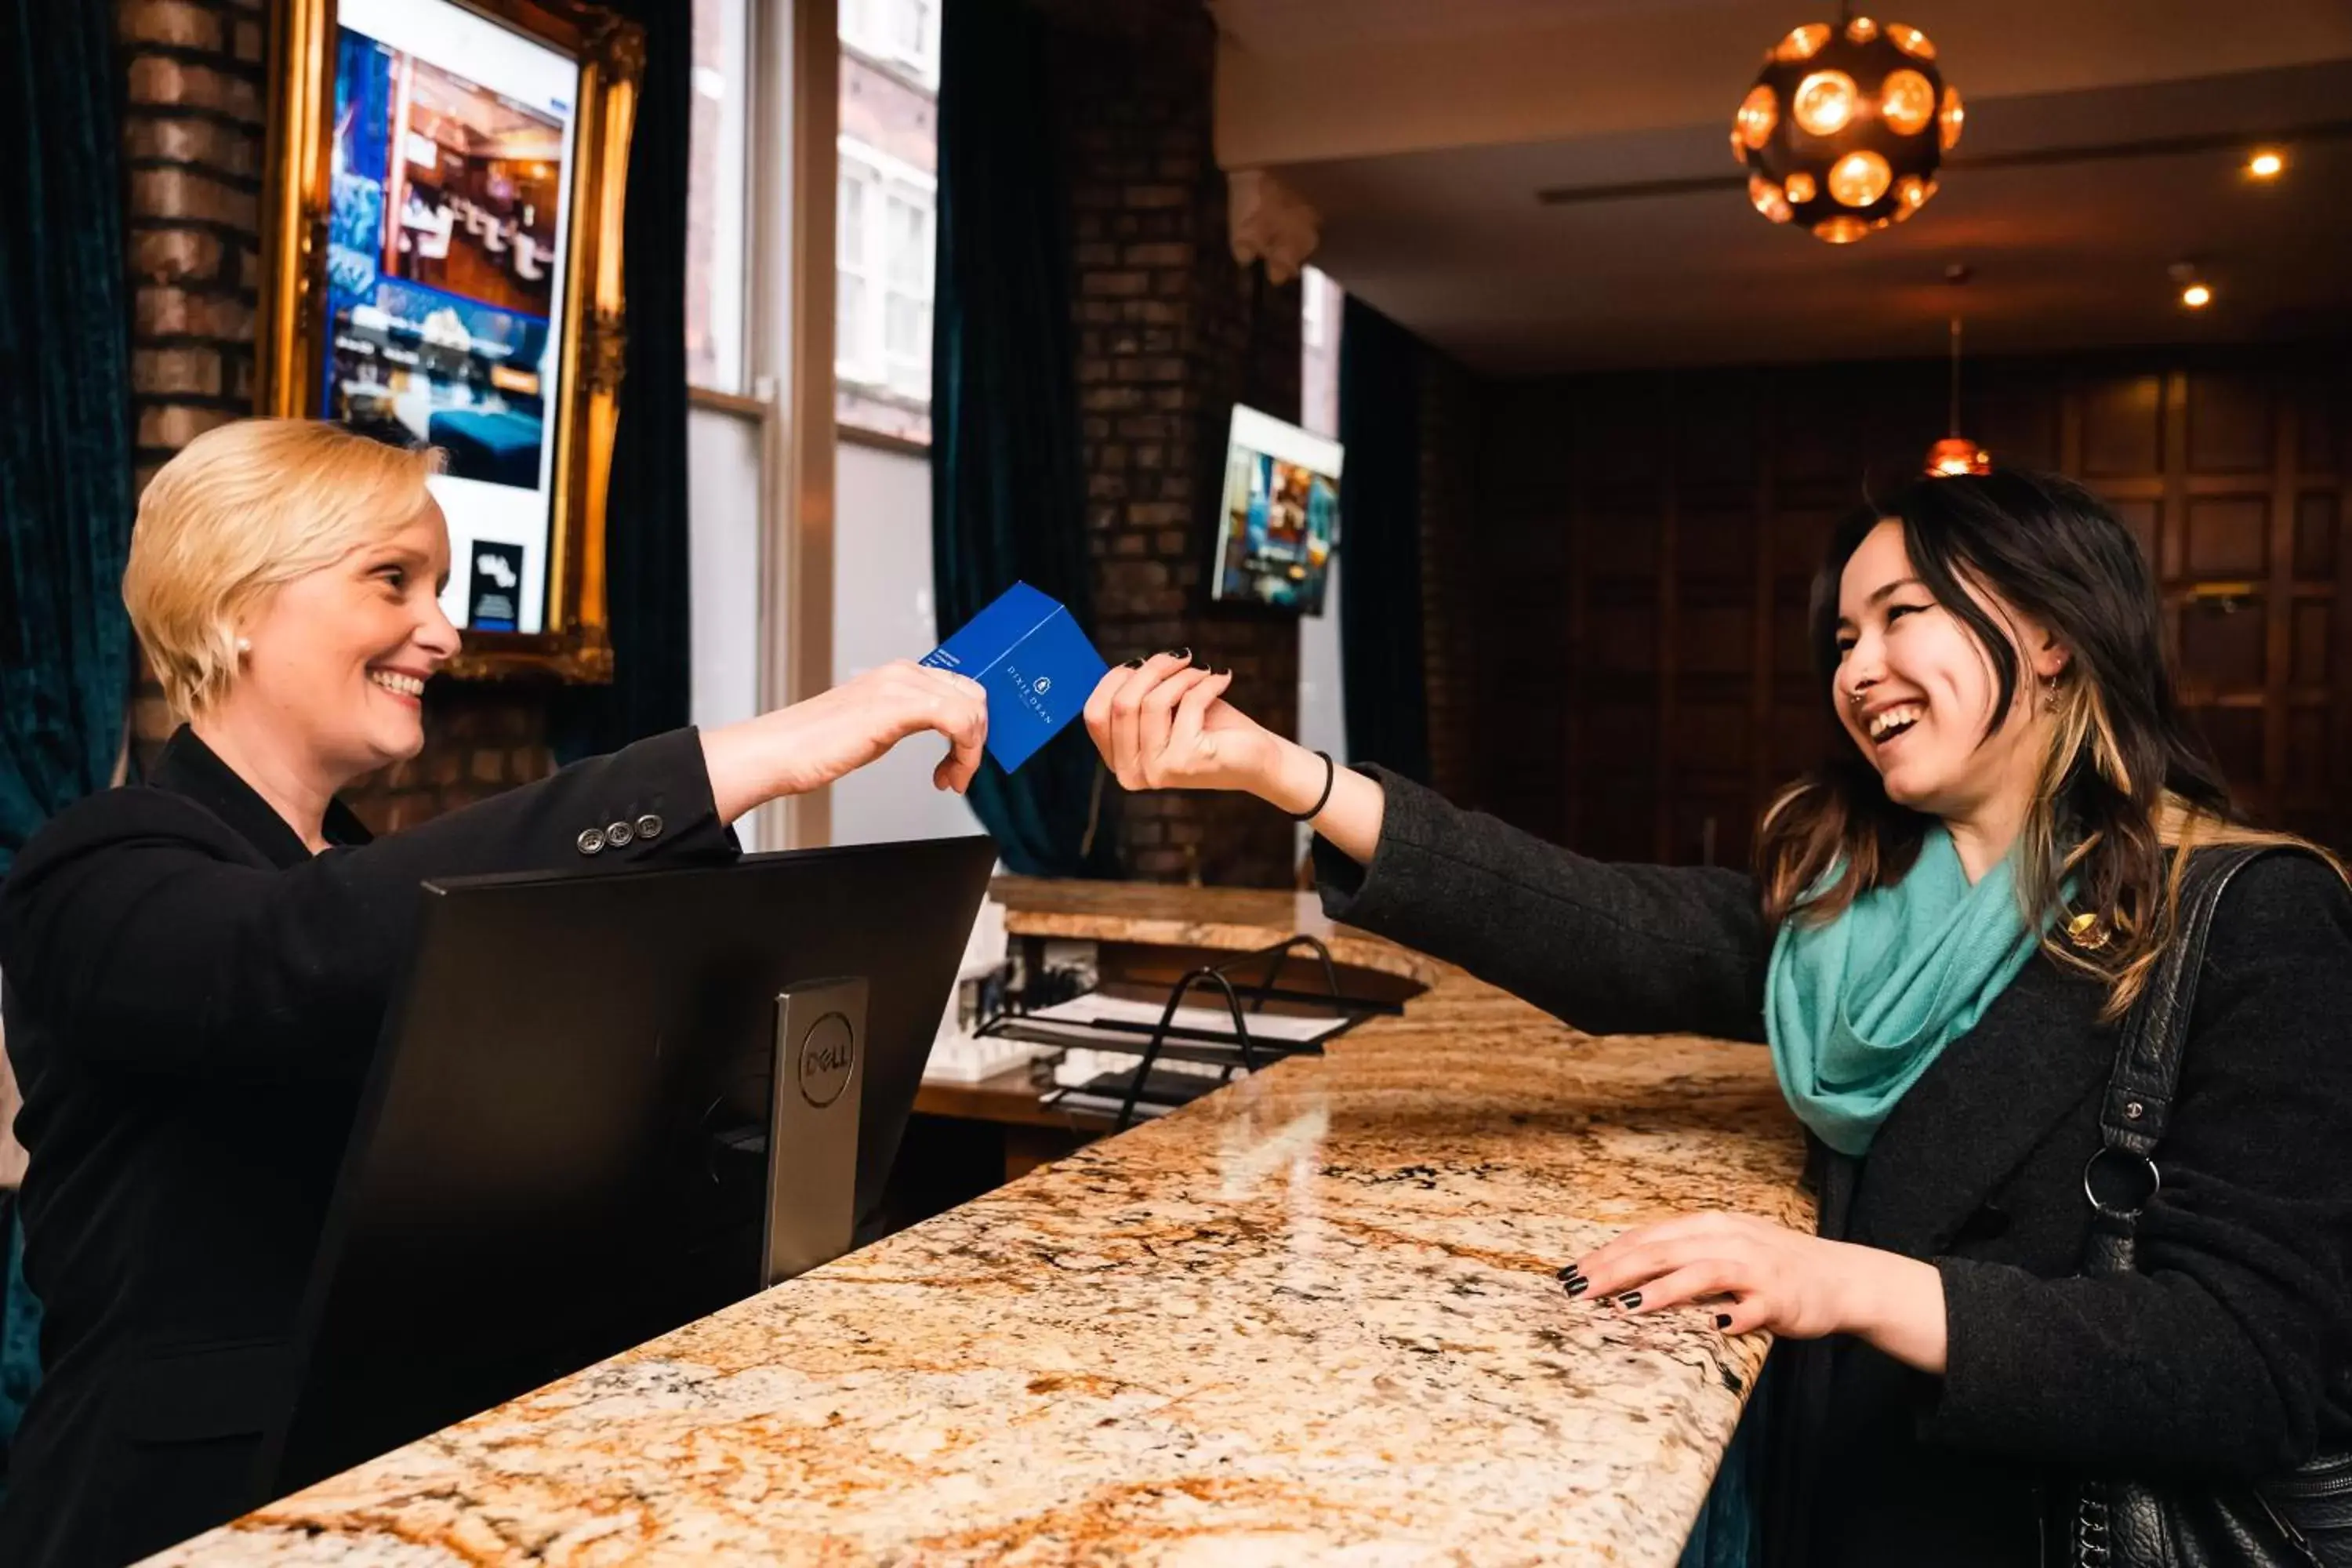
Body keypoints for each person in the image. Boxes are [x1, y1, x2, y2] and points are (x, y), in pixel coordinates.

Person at [1085, 468, 2352, 1566]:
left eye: (1901, 616)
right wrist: (1281, 773)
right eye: (1843, 639)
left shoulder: (2251, 917)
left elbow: (2248, 1362)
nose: (1858, 669)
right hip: (1843, 1503)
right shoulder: (1845, 909)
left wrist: (1842, 1281)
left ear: (2055, 631)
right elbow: (1593, 923)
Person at [0, 419, 989, 1568]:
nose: (443, 629)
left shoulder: (362, 873)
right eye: (392, 582)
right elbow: (287, 960)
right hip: (184, 1521)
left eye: (442, 587)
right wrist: (747, 755)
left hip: (413, 1490)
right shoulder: (95, 865)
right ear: (234, 605)